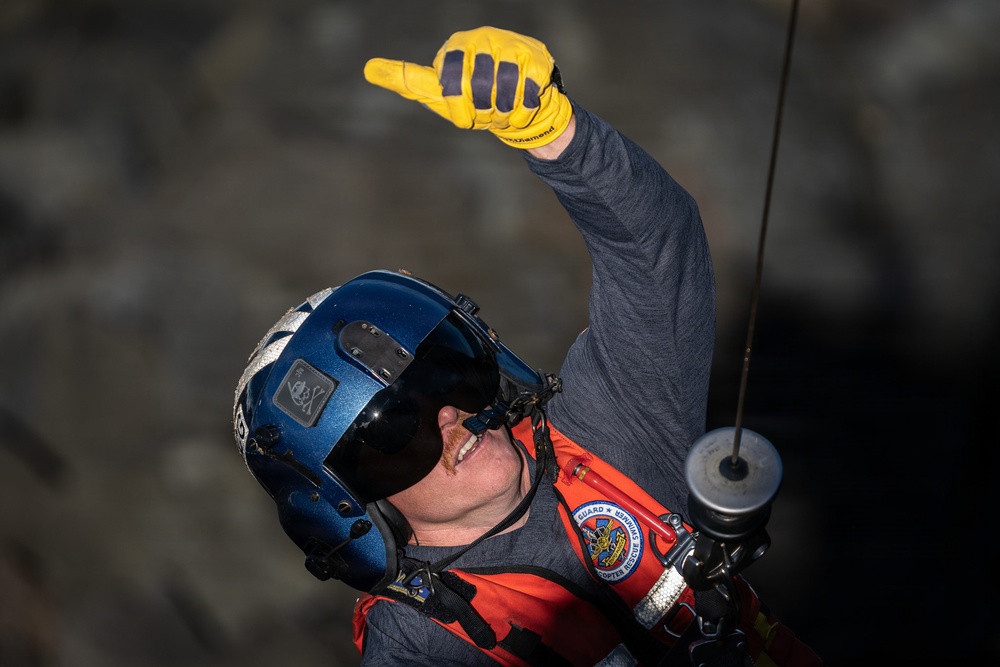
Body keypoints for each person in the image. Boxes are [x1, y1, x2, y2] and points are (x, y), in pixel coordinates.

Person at [233, 26, 821, 666]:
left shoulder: (606, 428)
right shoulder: (416, 648)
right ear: (346, 508)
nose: (449, 416)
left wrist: (552, 134)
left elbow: (656, 250)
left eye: (443, 378)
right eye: (394, 432)